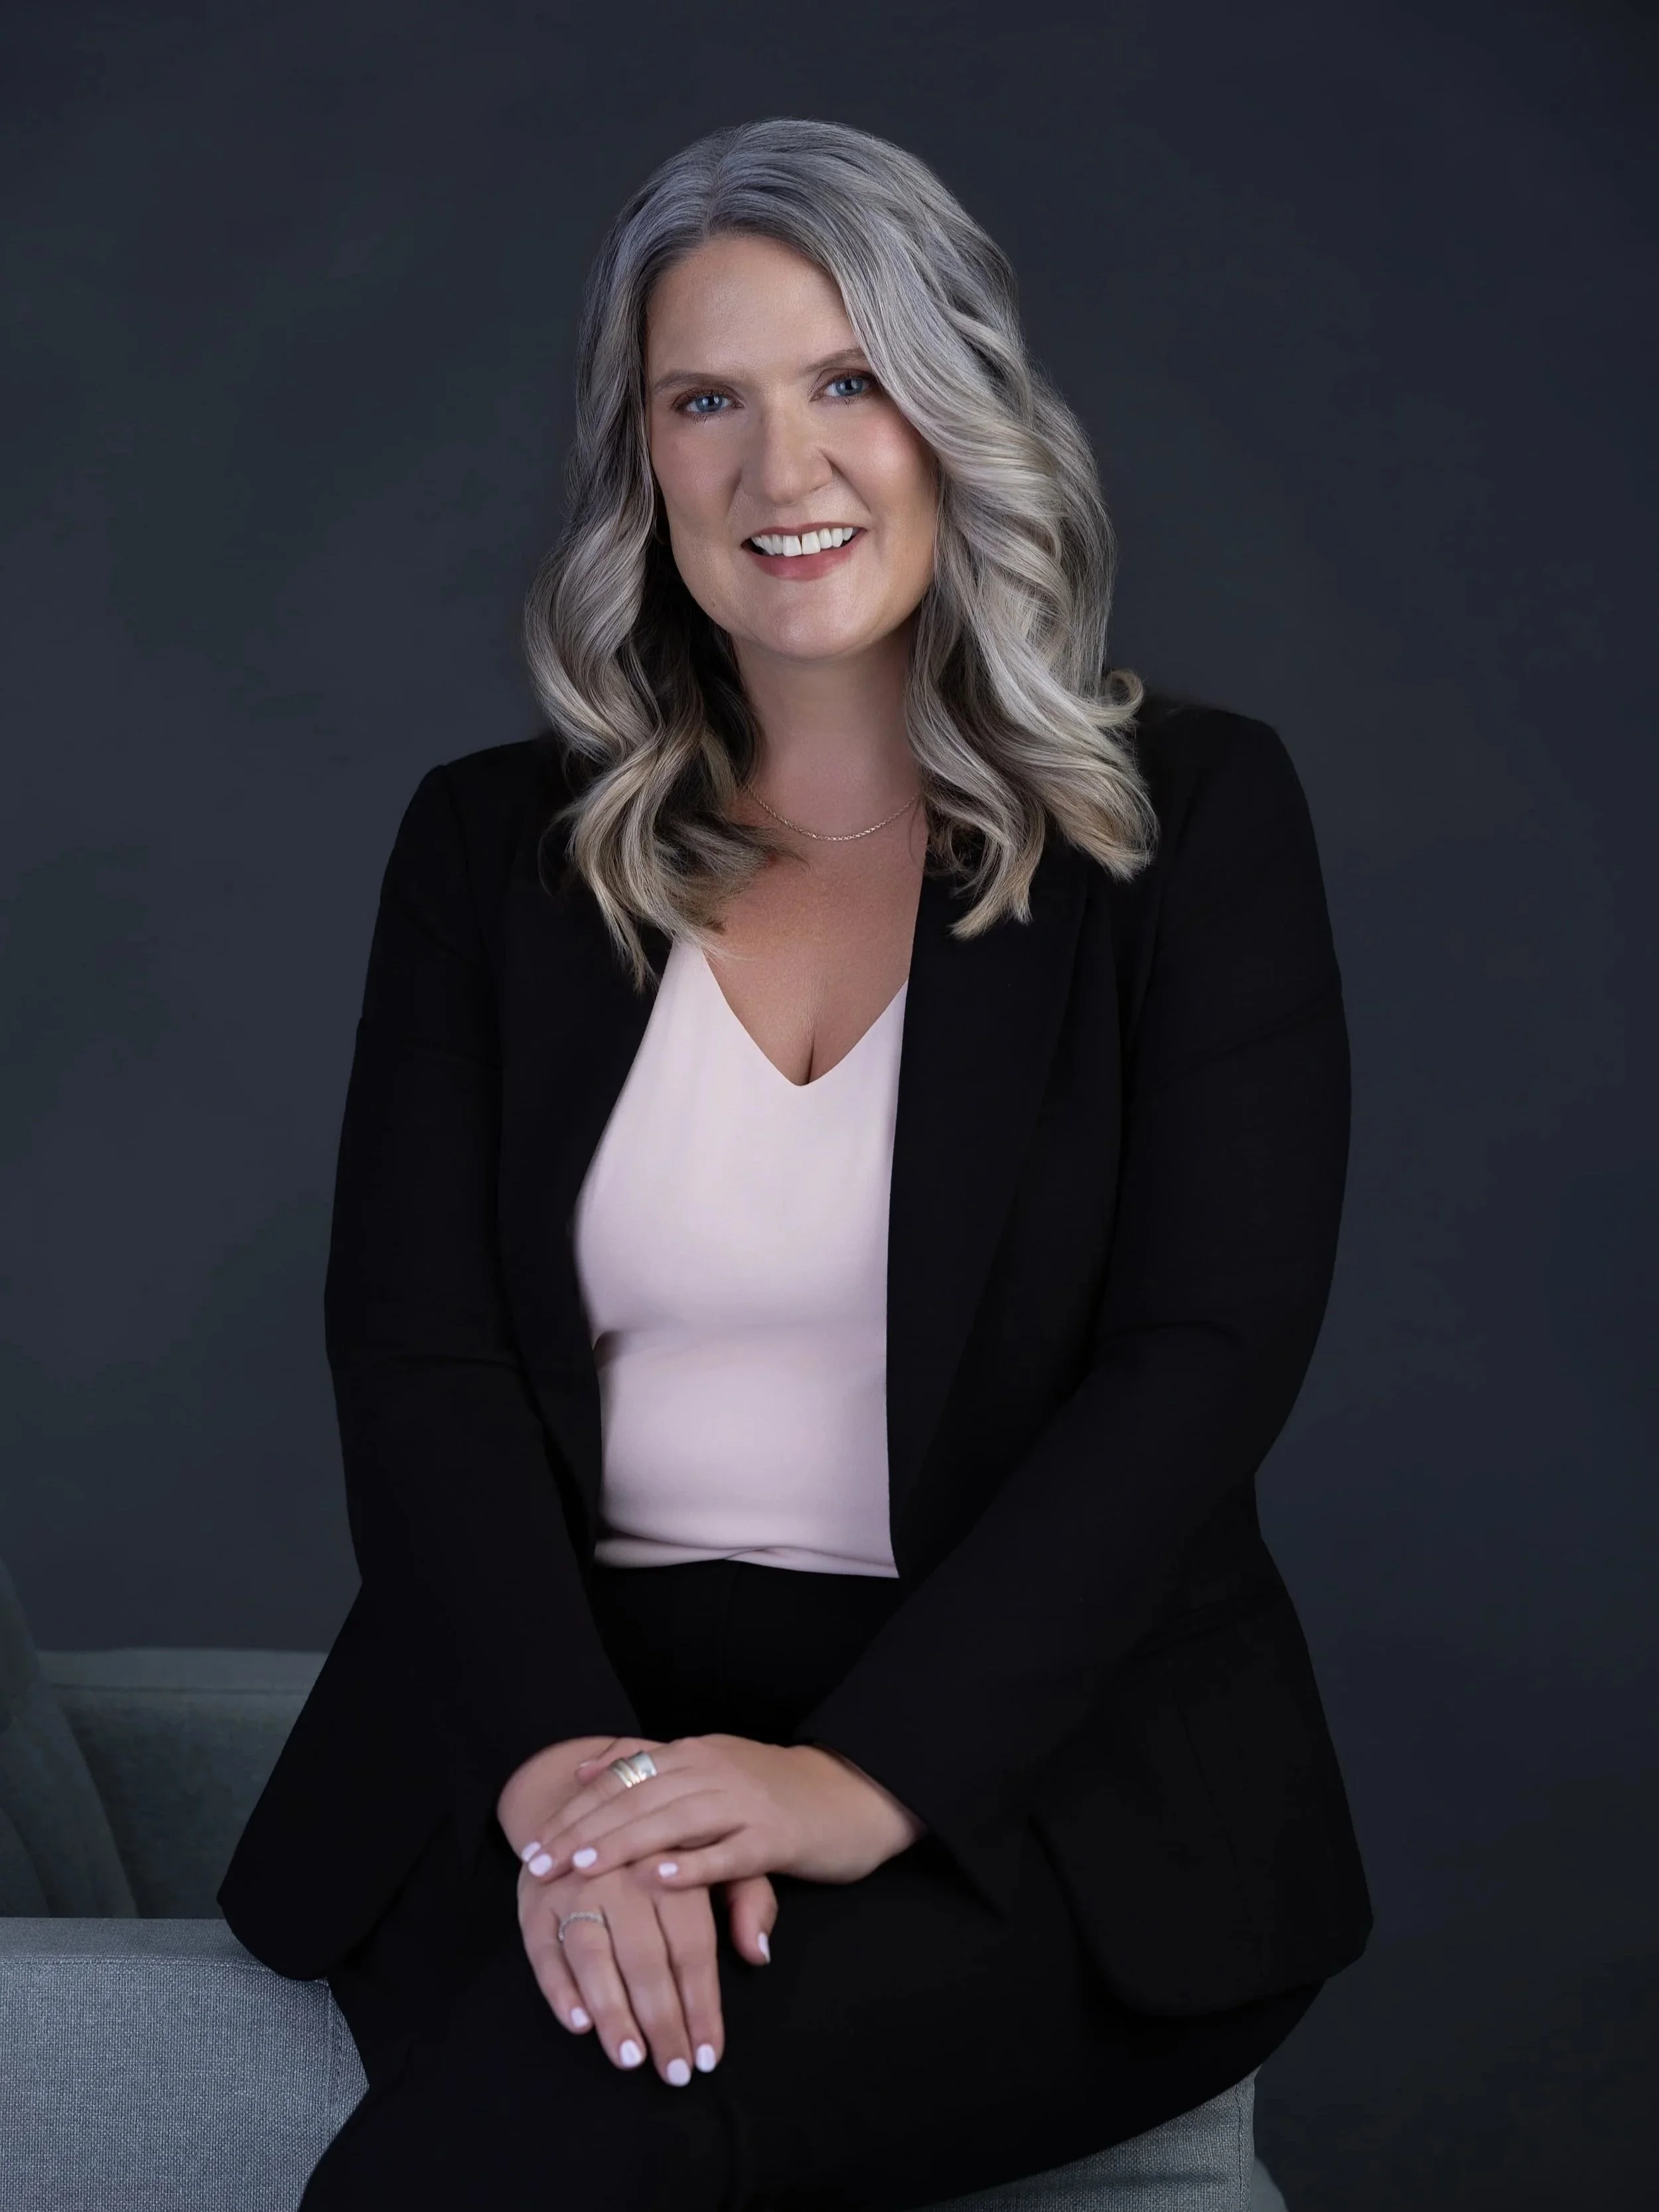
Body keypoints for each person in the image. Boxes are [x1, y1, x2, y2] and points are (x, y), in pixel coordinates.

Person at [218, 115, 1373, 2211]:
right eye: (707, 402)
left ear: (958, 411)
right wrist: (568, 1790)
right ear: (636, 457)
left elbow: (1199, 1354)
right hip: (560, 1717)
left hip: (1033, 1770)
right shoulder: (490, 850)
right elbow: (420, 1355)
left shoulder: (1187, 819)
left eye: (848, 380)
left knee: (505, 2163)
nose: (786, 470)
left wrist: (863, 1777)